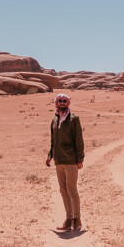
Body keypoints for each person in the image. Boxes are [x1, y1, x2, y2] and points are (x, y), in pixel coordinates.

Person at [45, 92, 85, 231]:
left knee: (72, 189)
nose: (62, 102)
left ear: (68, 103)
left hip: (71, 160)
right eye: (59, 100)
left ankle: (77, 219)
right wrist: (50, 155)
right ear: (56, 103)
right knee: (63, 190)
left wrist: (80, 159)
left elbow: (79, 141)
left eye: (64, 100)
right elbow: (53, 141)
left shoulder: (74, 119)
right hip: (59, 161)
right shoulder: (54, 121)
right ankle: (68, 220)